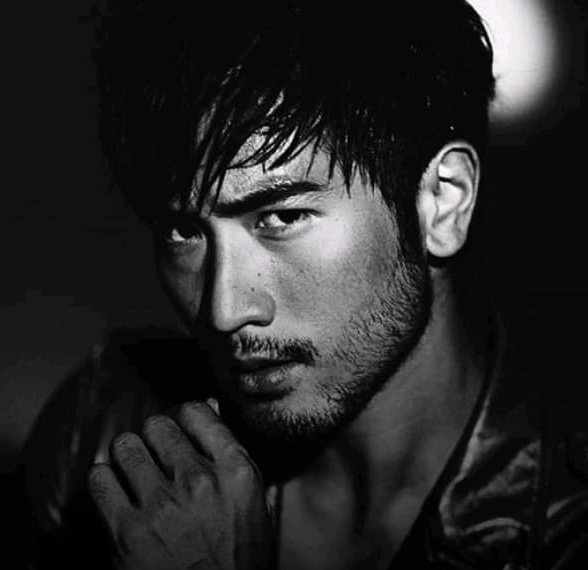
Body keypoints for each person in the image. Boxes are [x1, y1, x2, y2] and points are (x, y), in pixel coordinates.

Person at [9, 1, 588, 569]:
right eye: (184, 232)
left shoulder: (566, 529)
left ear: (441, 202)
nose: (224, 310)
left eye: (282, 217)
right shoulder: (102, 428)